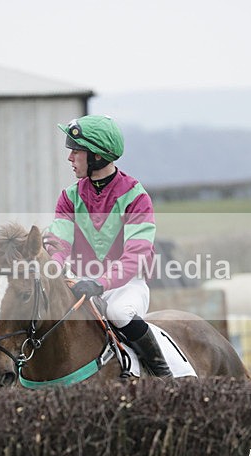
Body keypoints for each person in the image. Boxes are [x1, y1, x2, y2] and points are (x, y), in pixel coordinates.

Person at [45, 114, 172, 378]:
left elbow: (135, 256)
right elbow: (59, 243)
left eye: (76, 151)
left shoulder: (136, 197)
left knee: (118, 312)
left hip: (126, 286)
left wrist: (101, 282)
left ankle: (163, 375)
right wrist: (54, 270)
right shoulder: (69, 197)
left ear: (97, 156)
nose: (70, 158)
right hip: (81, 283)